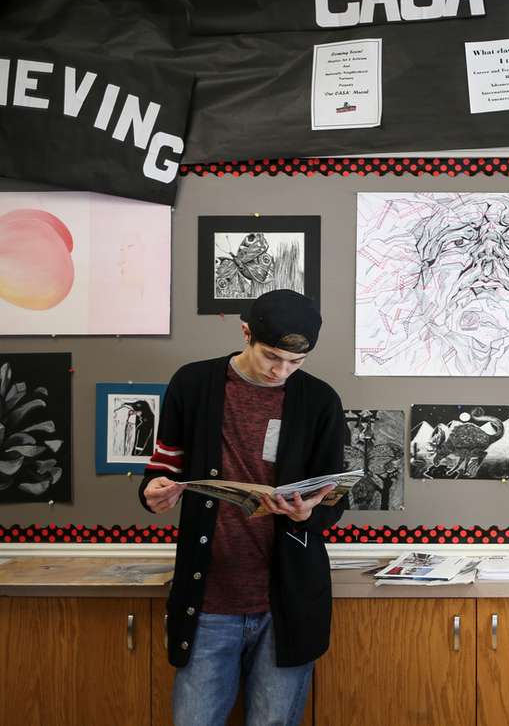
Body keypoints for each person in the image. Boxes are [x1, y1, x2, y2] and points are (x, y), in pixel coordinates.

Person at [139, 289, 348, 726]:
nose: (282, 371)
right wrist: (153, 492)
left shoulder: (320, 400)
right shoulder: (193, 384)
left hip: (286, 601)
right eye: (273, 356)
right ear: (246, 332)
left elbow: (335, 497)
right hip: (209, 598)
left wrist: (308, 512)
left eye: (297, 362)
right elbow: (162, 468)